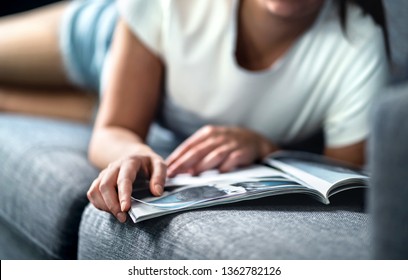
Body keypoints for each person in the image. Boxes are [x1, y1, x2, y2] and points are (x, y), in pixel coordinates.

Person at [0, 0, 389, 223]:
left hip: (144, 105)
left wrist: (263, 145)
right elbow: (117, 128)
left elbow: (343, 186)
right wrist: (129, 150)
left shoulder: (357, 48)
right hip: (103, 35)